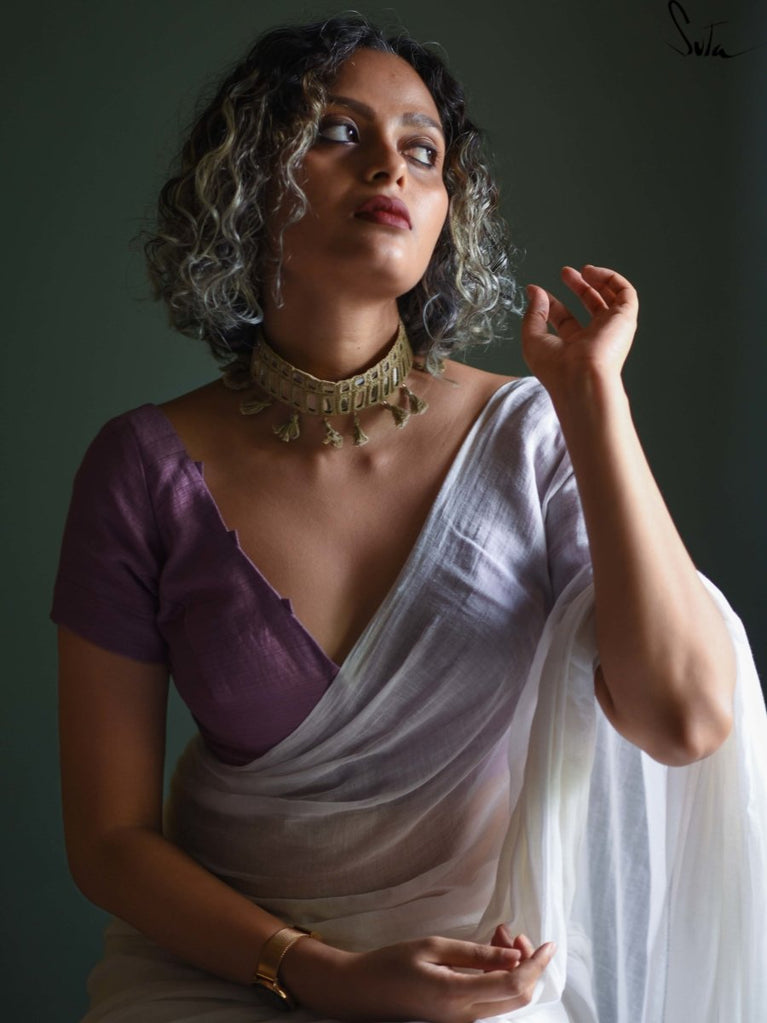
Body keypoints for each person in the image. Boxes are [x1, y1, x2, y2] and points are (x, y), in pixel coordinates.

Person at [52, 13, 767, 1023]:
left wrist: (592, 401)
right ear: (248, 178)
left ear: (445, 212)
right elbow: (109, 843)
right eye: (338, 132)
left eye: (422, 150)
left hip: (473, 980)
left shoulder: (530, 434)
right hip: (218, 971)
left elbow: (685, 720)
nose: (390, 165)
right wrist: (323, 974)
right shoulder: (140, 467)